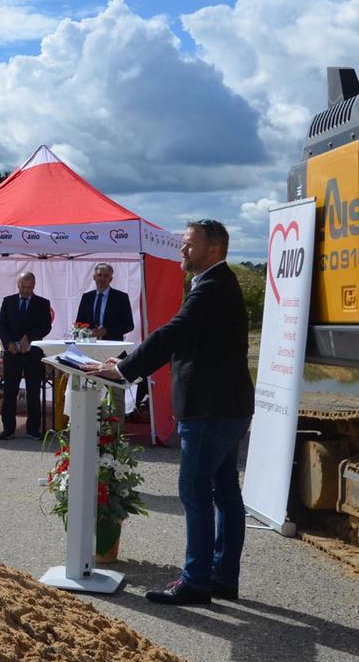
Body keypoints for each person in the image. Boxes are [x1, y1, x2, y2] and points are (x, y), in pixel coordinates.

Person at [88, 219, 254, 606]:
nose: (182, 251)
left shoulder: (212, 286)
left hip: (209, 410)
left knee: (196, 493)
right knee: (225, 493)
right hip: (227, 407)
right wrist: (127, 359)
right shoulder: (217, 284)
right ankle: (222, 577)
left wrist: (124, 369)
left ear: (213, 249)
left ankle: (197, 581)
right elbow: (181, 336)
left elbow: (173, 332)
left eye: (189, 245)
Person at [0, 272, 52, 441]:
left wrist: (29, 337)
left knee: (33, 392)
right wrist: (8, 344)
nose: (25, 291)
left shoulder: (43, 303)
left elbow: (46, 326)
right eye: (22, 287)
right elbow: (1, 323)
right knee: (10, 391)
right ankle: (8, 429)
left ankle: (33, 430)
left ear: (34, 286)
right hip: (12, 354)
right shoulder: (8, 301)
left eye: (29, 288)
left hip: (33, 354)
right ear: (18, 285)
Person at [75, 263, 135, 341]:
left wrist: (107, 331)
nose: (102, 279)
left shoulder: (121, 297)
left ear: (111, 279)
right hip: (89, 345)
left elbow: (129, 325)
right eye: (99, 275)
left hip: (112, 346)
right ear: (94, 277)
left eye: (106, 276)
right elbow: (78, 324)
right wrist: (89, 332)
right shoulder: (86, 297)